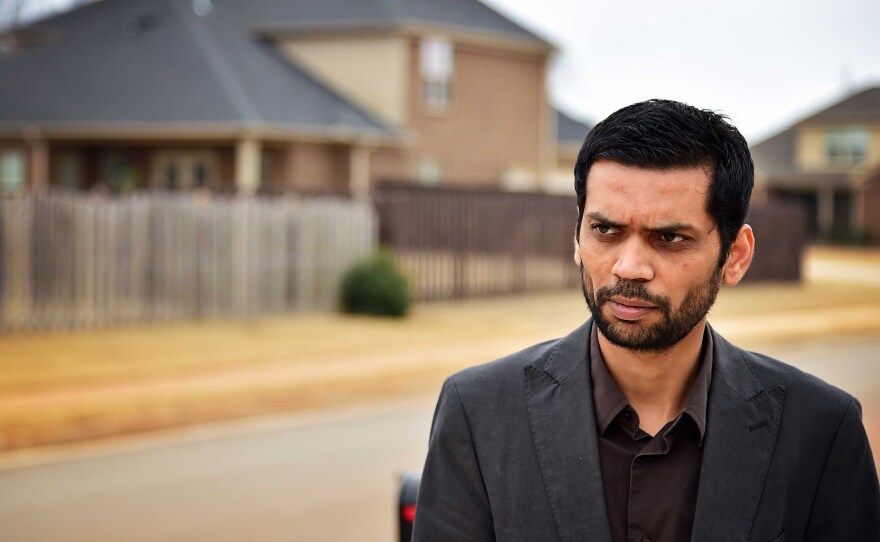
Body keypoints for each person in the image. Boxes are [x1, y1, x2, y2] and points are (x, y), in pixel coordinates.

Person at [411, 99, 880, 542]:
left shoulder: (820, 430)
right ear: (576, 235)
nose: (629, 266)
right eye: (605, 230)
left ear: (734, 255)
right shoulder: (478, 412)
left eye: (670, 237)